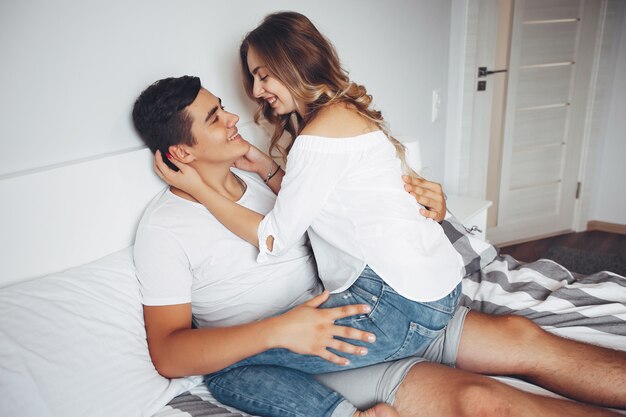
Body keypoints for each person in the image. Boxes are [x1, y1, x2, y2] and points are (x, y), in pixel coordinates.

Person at [134, 76, 625, 417]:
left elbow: (355, 203)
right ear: (181, 152)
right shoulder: (165, 231)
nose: (234, 118)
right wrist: (279, 331)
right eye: (216, 117)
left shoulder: (265, 181)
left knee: (522, 337)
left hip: (369, 307)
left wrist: (424, 197)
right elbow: (171, 354)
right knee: (480, 401)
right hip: (309, 345)